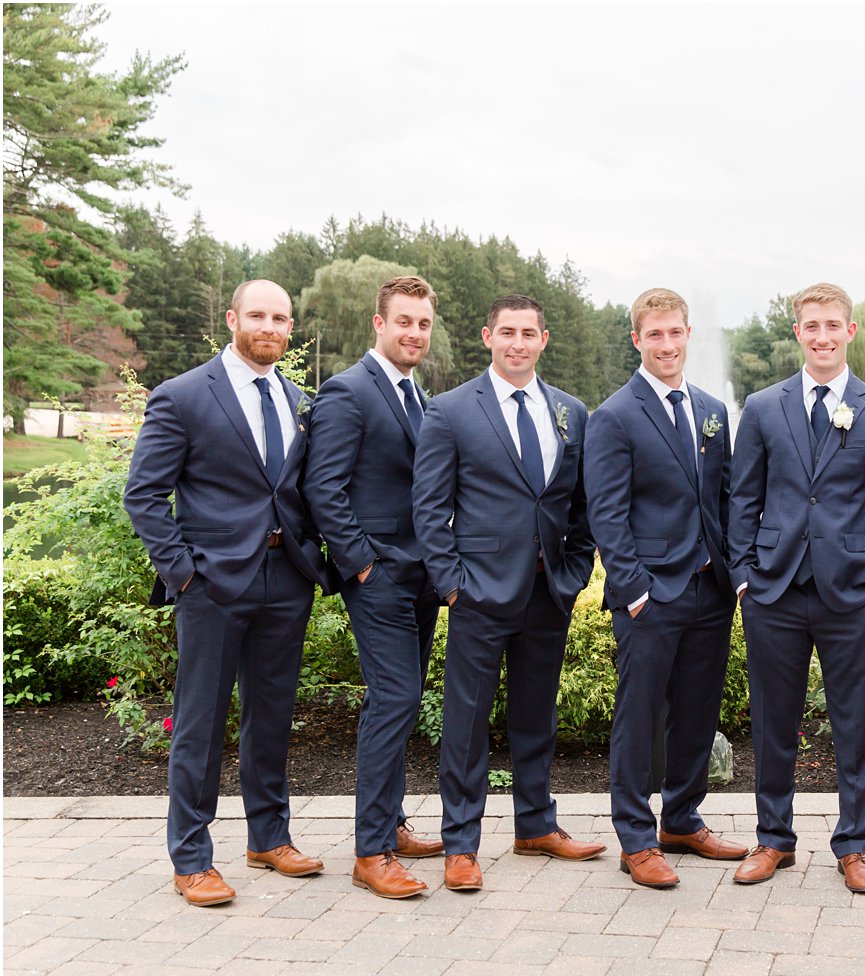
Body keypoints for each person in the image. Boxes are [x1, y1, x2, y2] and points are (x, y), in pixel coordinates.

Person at [124, 279, 334, 907]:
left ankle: (269, 837)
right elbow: (144, 495)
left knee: (271, 717)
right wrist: (184, 572)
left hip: (285, 578)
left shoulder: (300, 400)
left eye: (281, 317)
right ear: (232, 319)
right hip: (213, 584)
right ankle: (191, 855)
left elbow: (297, 491)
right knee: (201, 720)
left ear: (289, 327)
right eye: (258, 315)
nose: (269, 326)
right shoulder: (183, 396)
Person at [412, 294, 603, 891]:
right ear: (487, 336)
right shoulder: (448, 411)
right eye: (507, 333)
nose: (518, 343)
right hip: (478, 594)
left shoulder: (572, 412)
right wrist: (451, 585)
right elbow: (429, 508)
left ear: (544, 339)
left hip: (549, 592)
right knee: (465, 723)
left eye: (529, 333)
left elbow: (581, 506)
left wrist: (572, 573)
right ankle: (461, 843)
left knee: (536, 716)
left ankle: (535, 824)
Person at [727, 282, 865, 893]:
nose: (823, 336)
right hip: (773, 591)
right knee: (772, 720)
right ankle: (773, 838)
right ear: (798, 332)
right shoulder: (761, 407)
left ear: (850, 331)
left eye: (833, 325)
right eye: (812, 326)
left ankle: (854, 845)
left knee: (854, 723)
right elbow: (743, 497)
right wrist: (743, 577)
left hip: (852, 594)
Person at [584, 287, 748, 889]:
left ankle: (680, 817)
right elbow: (607, 513)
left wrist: (734, 572)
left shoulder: (709, 408)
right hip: (650, 593)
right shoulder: (615, 415)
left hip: (711, 587)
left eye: (675, 333)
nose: (667, 344)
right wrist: (633, 589)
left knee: (699, 711)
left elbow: (725, 496)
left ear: (687, 335)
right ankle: (635, 836)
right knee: (639, 714)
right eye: (654, 334)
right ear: (637, 339)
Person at [305, 276, 447, 899]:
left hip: (420, 577)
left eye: (423, 323)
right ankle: (371, 852)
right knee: (395, 699)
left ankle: (391, 819)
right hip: (381, 577)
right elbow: (323, 488)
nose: (414, 333)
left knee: (401, 700)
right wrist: (363, 565)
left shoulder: (418, 396)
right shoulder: (348, 392)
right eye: (404, 322)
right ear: (378, 324)